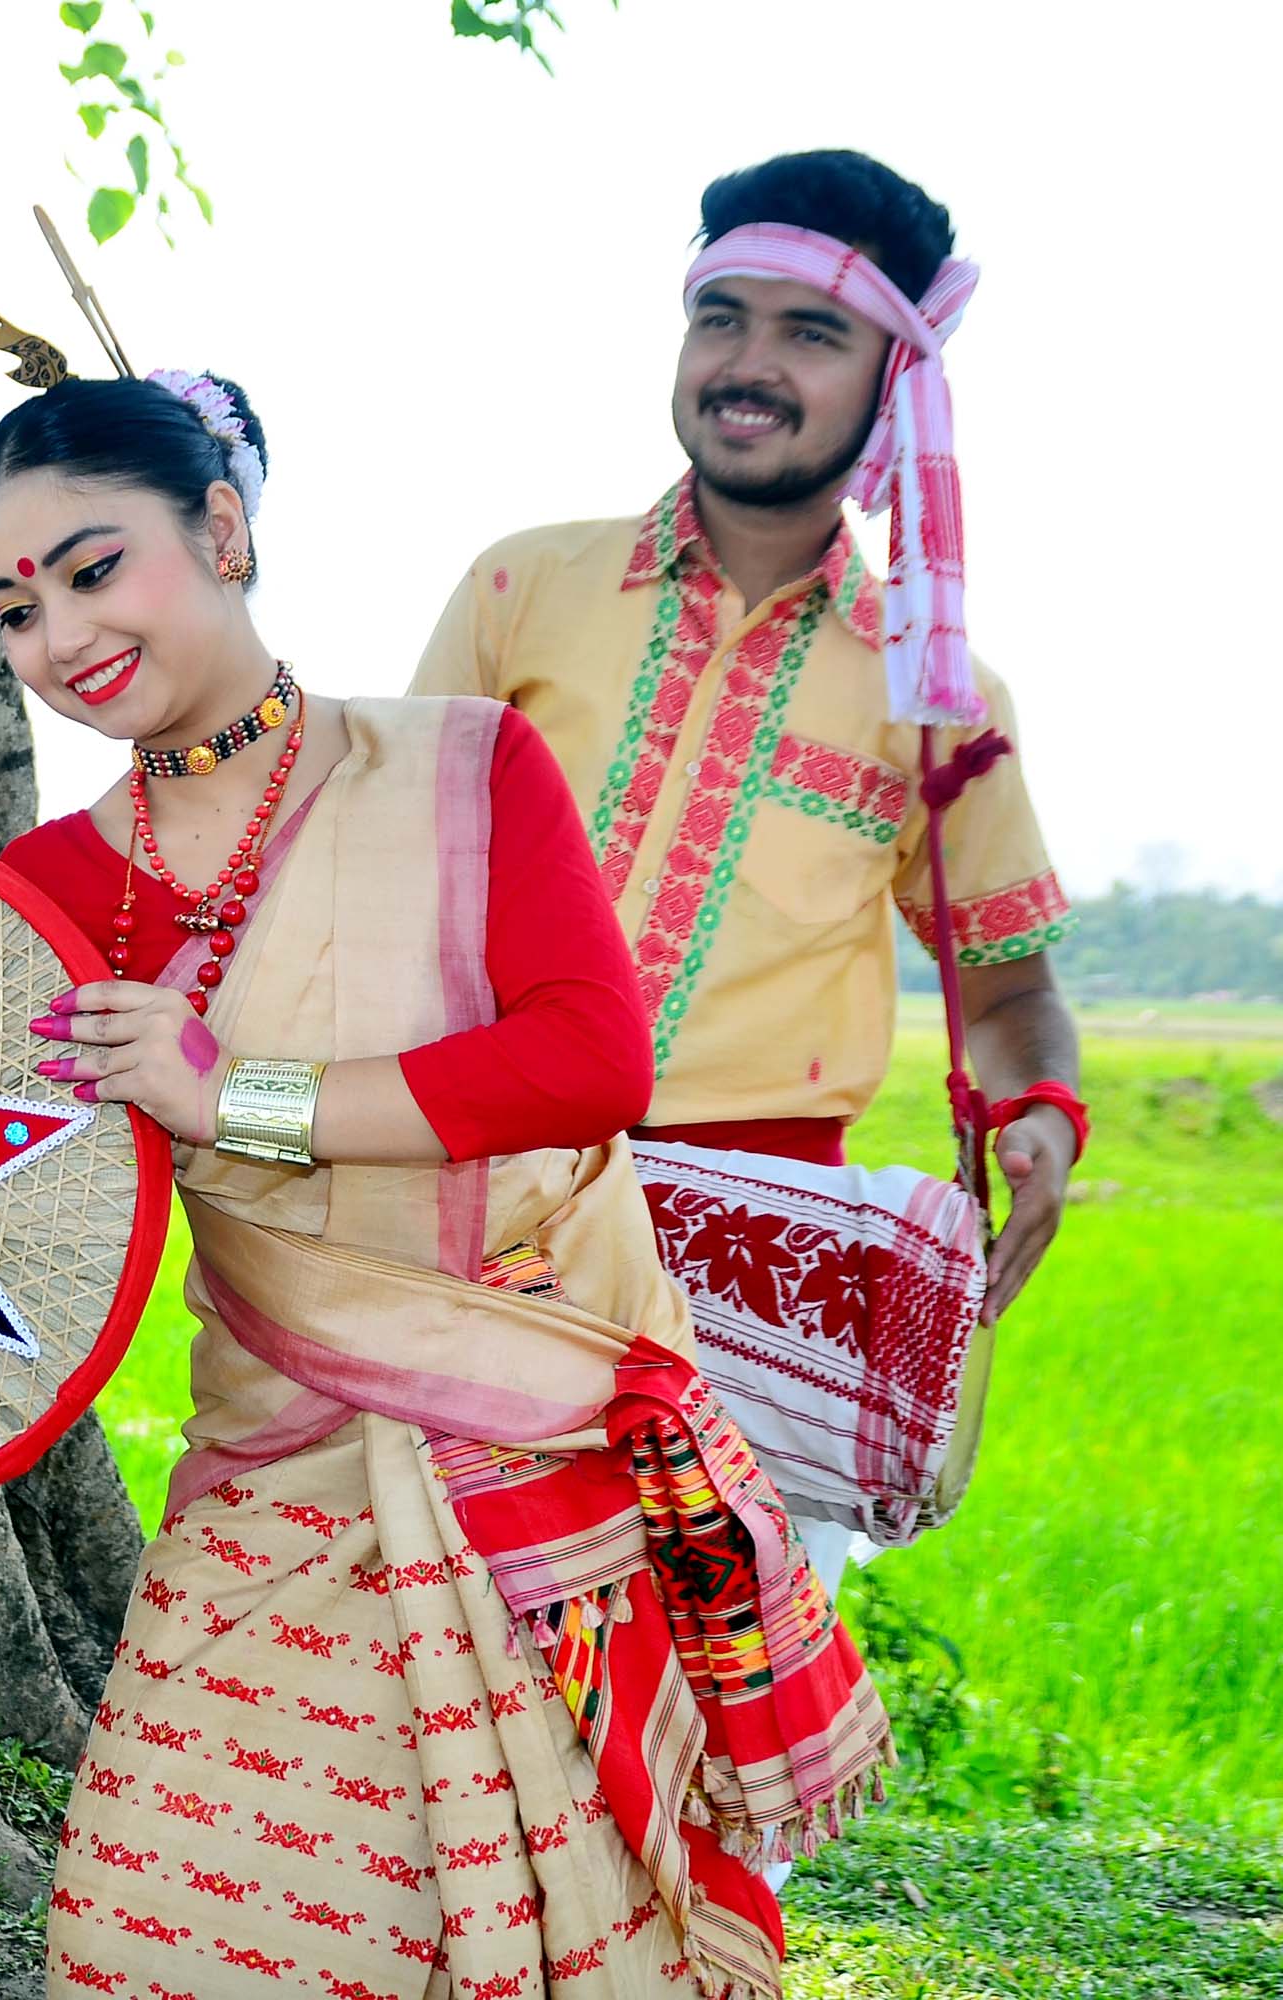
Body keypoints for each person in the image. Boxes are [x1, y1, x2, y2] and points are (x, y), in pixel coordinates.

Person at [0, 369, 885, 1999]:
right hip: (266, 1466)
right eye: (12, 609)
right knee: (149, 1924)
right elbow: (6, 1205)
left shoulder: (463, 768)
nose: (60, 636)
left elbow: (590, 1061)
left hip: (524, 1450)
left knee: (550, 1925)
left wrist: (228, 1092)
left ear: (225, 530)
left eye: (95, 568)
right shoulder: (47, 890)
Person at [409, 151, 1086, 1586]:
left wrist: (1037, 1113)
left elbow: (1009, 992)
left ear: (895, 378)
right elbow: (378, 880)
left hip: (761, 1273)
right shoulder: (523, 590)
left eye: (809, 332)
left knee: (725, 1704)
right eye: (722, 316)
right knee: (443, 1671)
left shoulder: (938, 689)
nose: (749, 365)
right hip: (478, 1212)